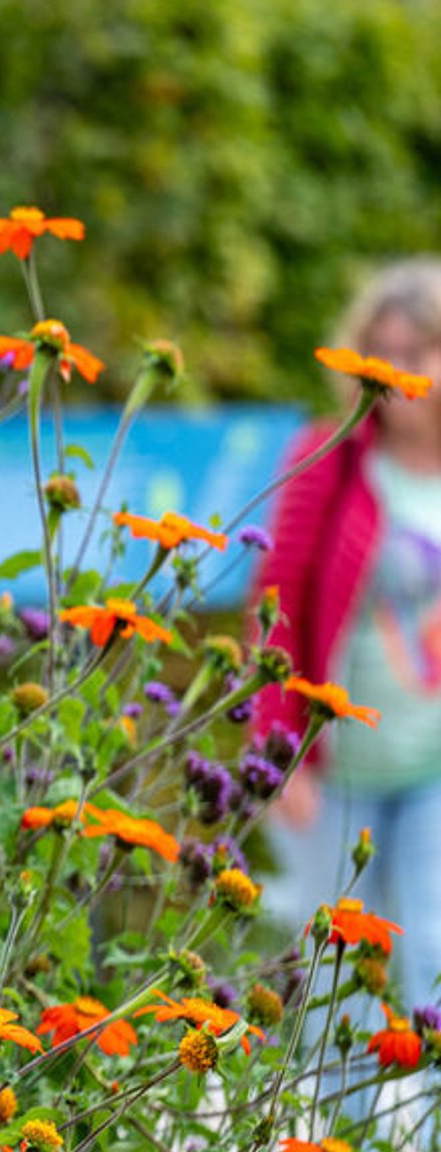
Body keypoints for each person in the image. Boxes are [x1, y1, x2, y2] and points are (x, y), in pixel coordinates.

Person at [256, 258, 441, 1012]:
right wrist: (280, 752)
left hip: (432, 759)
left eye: (415, 352)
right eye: (381, 350)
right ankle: (338, 1130)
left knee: (431, 948)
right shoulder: (327, 458)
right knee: (337, 970)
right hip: (336, 765)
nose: (395, 371)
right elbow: (278, 602)